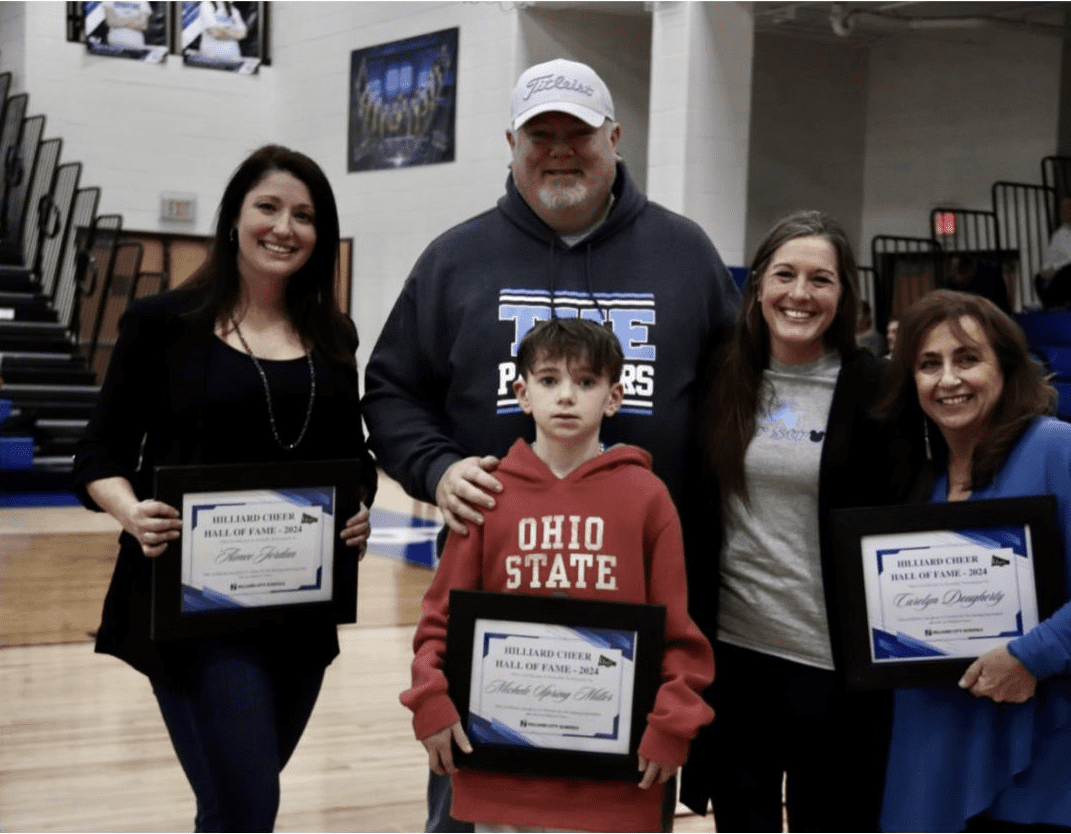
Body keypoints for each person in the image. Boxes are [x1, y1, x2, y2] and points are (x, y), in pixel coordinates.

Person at [362, 57, 738, 831]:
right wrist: (435, 469)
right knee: (471, 811)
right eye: (541, 134)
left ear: (616, 139)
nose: (560, 149)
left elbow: (739, 397)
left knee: (621, 812)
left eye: (579, 133)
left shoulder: (685, 253)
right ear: (511, 142)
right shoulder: (455, 259)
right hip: (492, 618)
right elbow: (392, 388)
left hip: (632, 614)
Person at [72, 145, 375, 832]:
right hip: (192, 609)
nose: (284, 227)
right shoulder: (162, 326)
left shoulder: (335, 336)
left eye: (304, 215)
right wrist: (130, 511)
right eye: (268, 207)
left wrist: (359, 508)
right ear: (234, 217)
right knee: (249, 805)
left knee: (232, 804)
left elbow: (352, 459)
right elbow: (97, 453)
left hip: (299, 608)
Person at [874, 289, 1071, 832]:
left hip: (1052, 765)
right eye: (928, 364)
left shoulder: (1056, 448)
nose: (948, 379)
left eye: (967, 359)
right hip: (943, 750)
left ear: (1006, 368)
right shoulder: (924, 482)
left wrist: (1030, 657)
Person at [401, 318, 714, 832]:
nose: (567, 396)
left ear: (614, 397)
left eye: (586, 382)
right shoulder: (486, 492)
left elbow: (678, 632)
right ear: (522, 394)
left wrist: (673, 720)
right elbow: (442, 618)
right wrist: (430, 698)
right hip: (503, 773)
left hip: (614, 781)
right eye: (549, 381)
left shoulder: (647, 498)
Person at [682, 211, 919, 831]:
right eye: (785, 274)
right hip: (734, 661)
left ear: (844, 297)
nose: (800, 293)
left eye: (821, 279)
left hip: (835, 669)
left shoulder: (879, 388)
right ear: (758, 284)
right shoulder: (718, 375)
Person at [1033, 193, 1071, 306]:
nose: (1063, 211)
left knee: (1068, 273)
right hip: (1058, 270)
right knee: (1039, 278)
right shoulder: (1060, 232)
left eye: (1068, 207)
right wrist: (1046, 270)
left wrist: (1057, 269)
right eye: (1062, 208)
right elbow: (1051, 256)